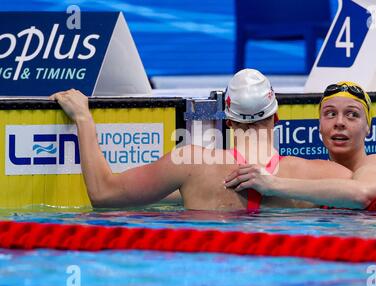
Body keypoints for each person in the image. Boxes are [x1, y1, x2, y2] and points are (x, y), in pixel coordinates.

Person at [50, 69, 351, 211]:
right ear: (277, 118)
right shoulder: (321, 175)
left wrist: (83, 119)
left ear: (228, 120)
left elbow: (103, 195)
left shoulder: (190, 165)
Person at [224, 81, 376, 209]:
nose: (339, 122)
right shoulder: (316, 176)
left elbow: (361, 193)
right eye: (330, 114)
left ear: (368, 126)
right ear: (319, 126)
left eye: (352, 114)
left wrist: (273, 184)